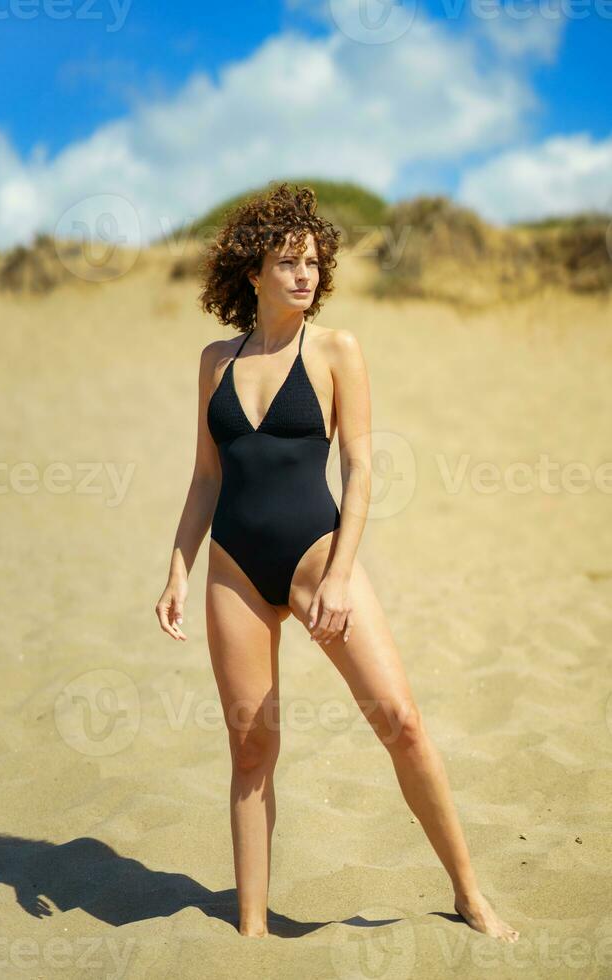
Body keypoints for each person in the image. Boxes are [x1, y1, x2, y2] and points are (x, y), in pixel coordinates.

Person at [155, 182, 520, 943]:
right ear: (252, 272)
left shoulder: (334, 351)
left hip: (319, 554)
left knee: (402, 721)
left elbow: (360, 467)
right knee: (252, 746)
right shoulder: (214, 363)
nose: (305, 276)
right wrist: (179, 569)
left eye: (314, 263)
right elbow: (204, 477)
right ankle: (251, 930)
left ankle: (469, 892)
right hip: (232, 565)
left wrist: (343, 574)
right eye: (288, 262)